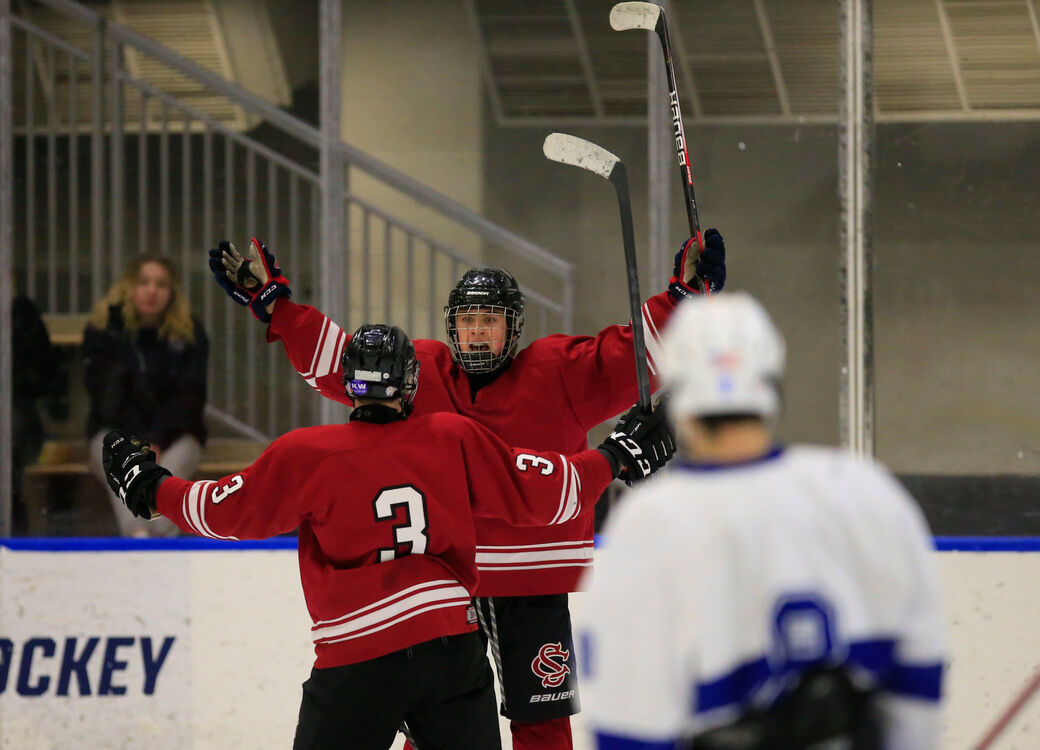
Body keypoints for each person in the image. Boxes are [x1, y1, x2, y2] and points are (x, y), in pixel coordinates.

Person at [208, 232, 725, 750]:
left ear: (514, 328)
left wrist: (682, 299)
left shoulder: (558, 371)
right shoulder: (421, 373)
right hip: (446, 586)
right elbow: (345, 361)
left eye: (490, 322)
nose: (476, 335)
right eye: (467, 322)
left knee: (543, 724)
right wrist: (278, 309)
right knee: (433, 723)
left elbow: (630, 356)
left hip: (531, 582)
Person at [101, 324, 675, 750]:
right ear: (410, 384)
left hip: (358, 659)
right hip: (451, 650)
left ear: (350, 386)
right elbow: (546, 492)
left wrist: (152, 488)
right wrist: (615, 456)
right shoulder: (451, 435)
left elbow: (223, 513)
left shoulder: (306, 453)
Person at [577, 293, 946, 750]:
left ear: (678, 394)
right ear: (772, 381)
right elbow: (919, 674)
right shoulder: (864, 491)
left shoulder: (650, 524)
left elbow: (627, 725)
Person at [83, 255, 208, 537]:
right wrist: (140, 441)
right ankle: (141, 538)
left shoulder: (189, 333)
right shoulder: (105, 331)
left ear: (172, 292)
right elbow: (106, 398)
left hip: (176, 438)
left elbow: (190, 397)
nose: (152, 290)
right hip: (115, 435)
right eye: (144, 282)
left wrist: (159, 438)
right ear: (129, 287)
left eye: (161, 284)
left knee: (165, 484)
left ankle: (143, 540)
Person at [11, 291, 68, 534]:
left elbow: (45, 374)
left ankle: (14, 533)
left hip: (19, 415)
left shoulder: (20, 312)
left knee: (8, 444)